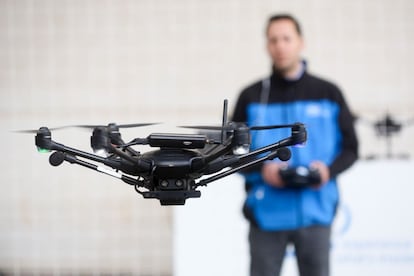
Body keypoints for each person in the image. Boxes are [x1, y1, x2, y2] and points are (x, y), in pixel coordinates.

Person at [232, 14, 358, 276]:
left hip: (316, 210)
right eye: (273, 40)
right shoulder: (252, 96)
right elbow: (232, 153)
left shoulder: (329, 93)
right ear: (267, 46)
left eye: (287, 38)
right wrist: (261, 170)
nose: (280, 46)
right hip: (267, 213)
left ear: (301, 42)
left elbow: (351, 149)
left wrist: (327, 171)